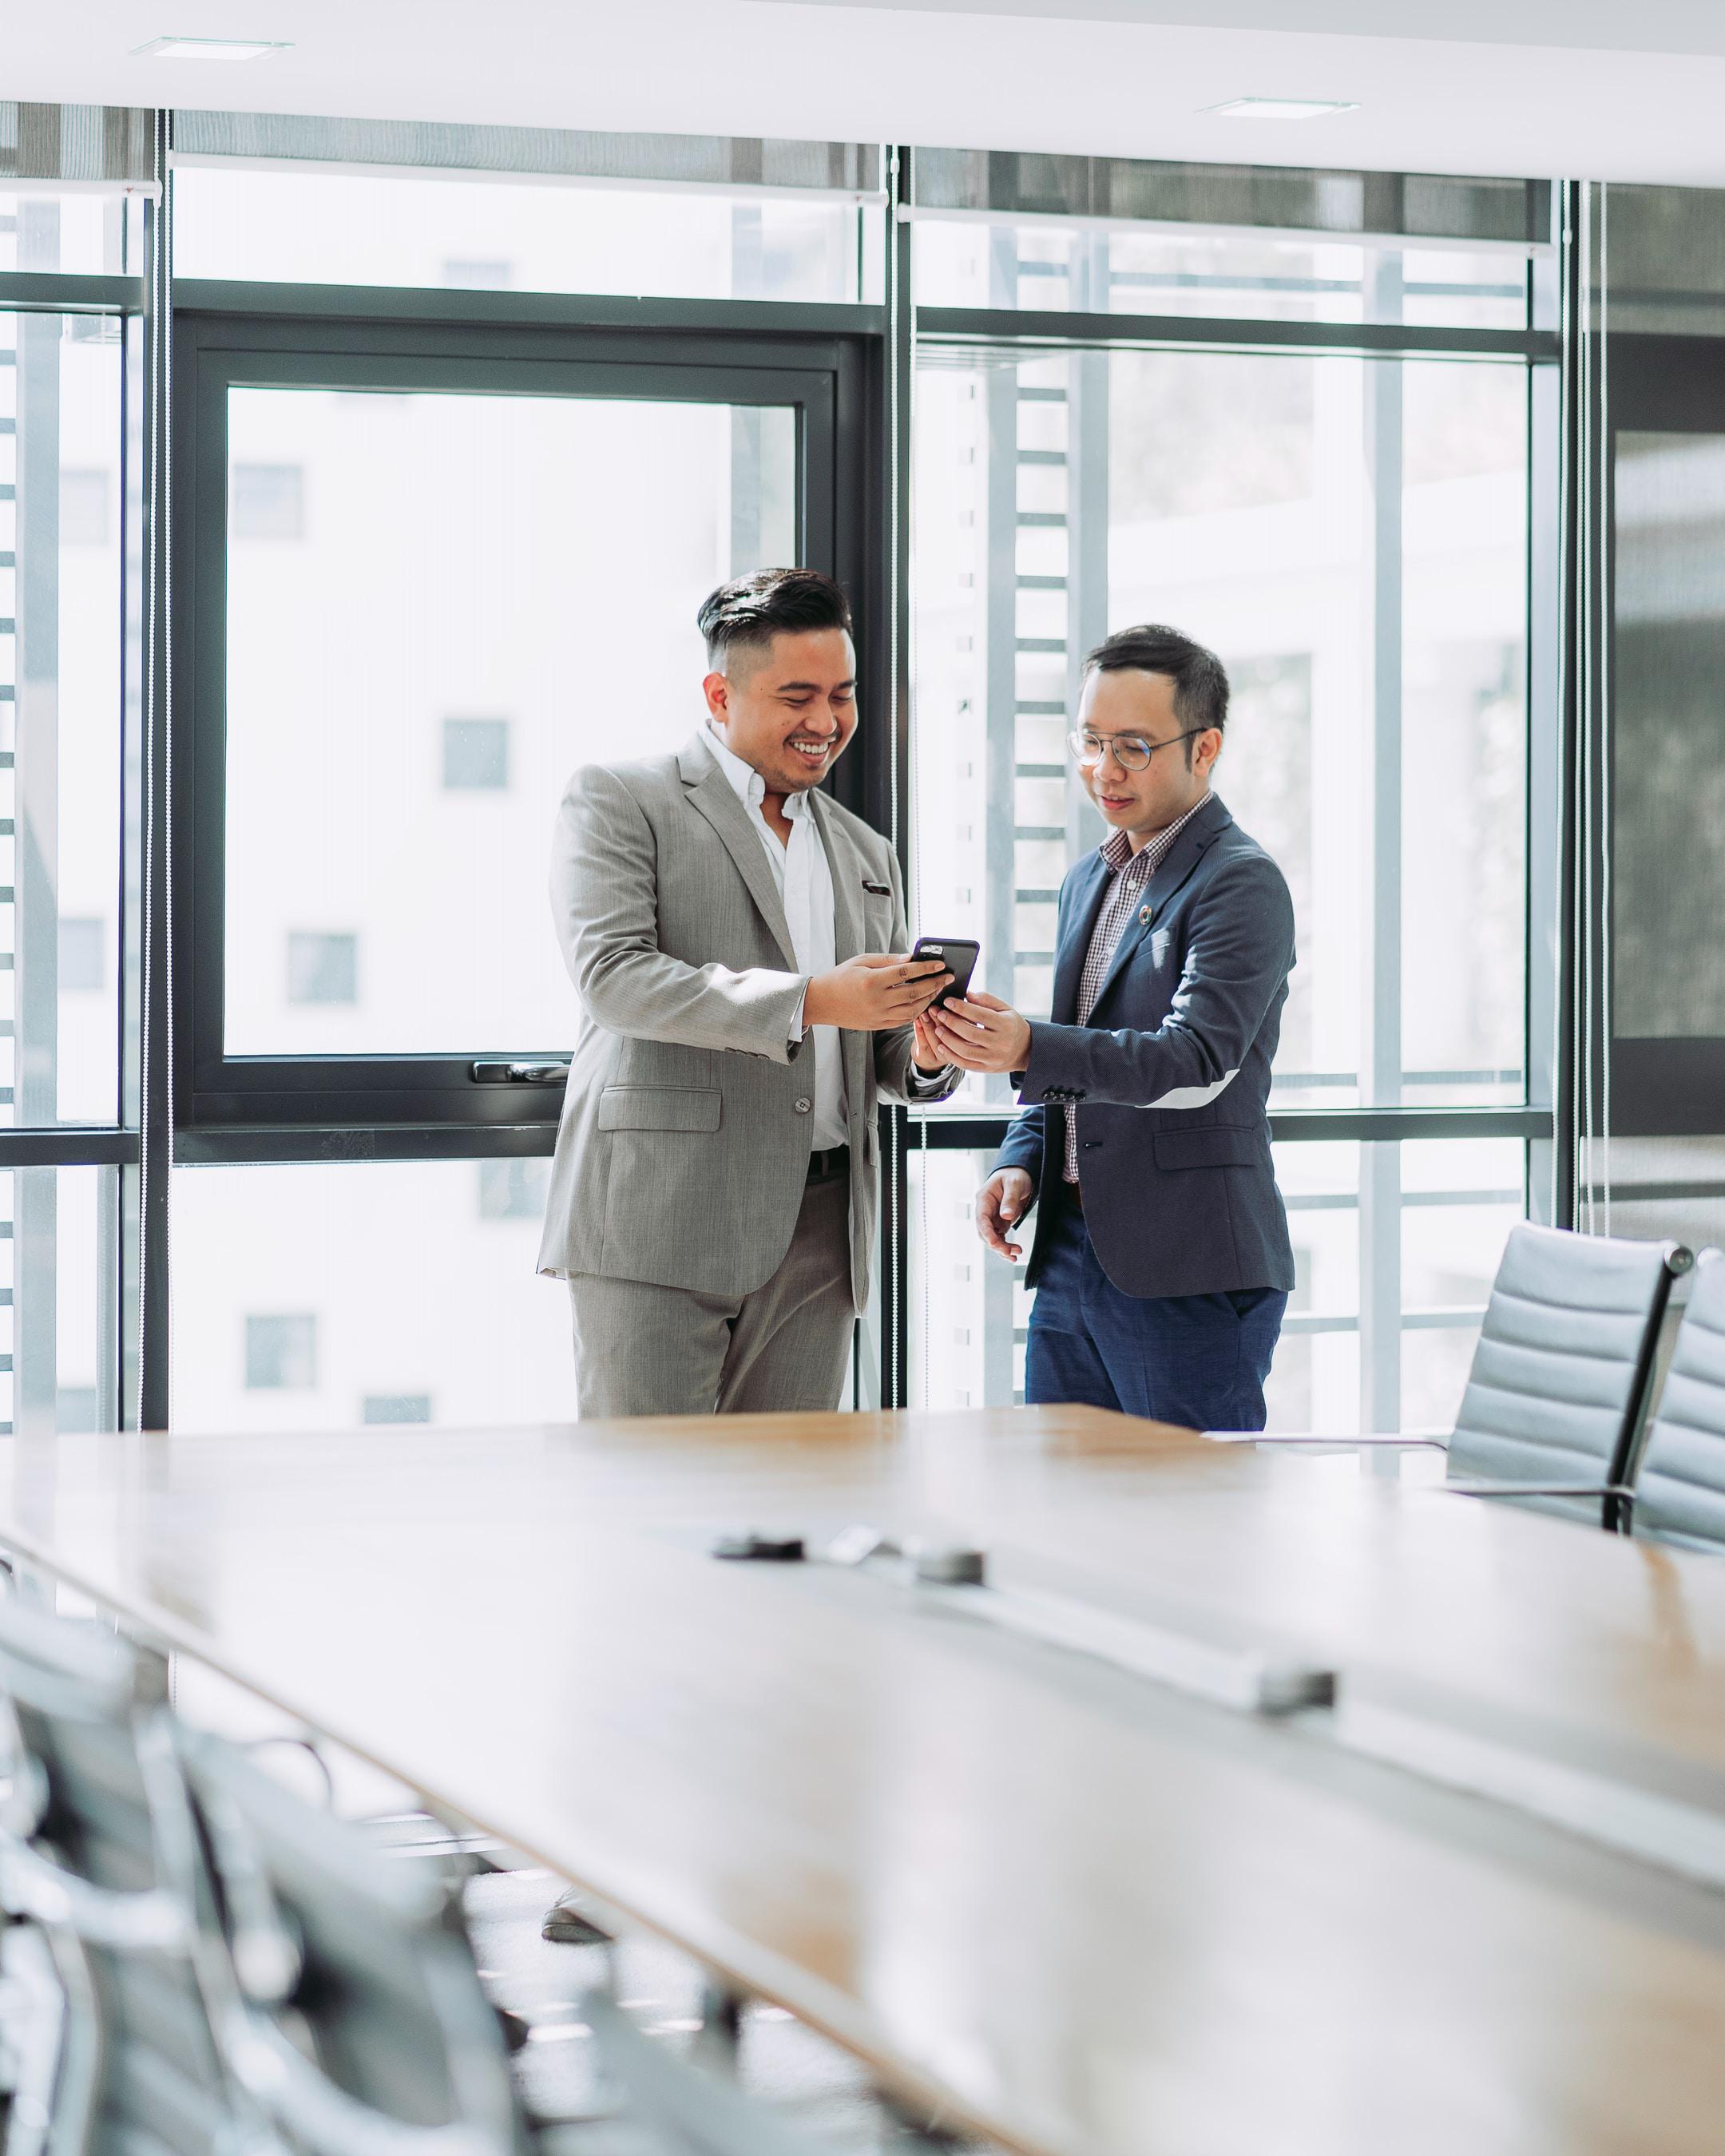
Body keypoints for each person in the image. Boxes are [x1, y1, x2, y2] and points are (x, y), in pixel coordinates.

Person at [537, 567, 959, 1419]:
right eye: (797, 695)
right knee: (650, 1503)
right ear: (719, 694)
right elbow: (615, 979)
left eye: (842, 695)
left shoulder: (868, 852)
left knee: (788, 1510)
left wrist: (921, 1050)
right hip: (661, 1216)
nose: (826, 722)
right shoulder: (622, 801)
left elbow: (867, 1047)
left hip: (826, 1233)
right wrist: (810, 999)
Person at [930, 624, 1295, 1433]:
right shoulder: (1089, 880)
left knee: (1190, 1531)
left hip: (1187, 1269)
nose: (1102, 770)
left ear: (1206, 749)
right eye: (1090, 741)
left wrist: (1026, 1045)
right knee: (1070, 1519)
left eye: (1132, 746)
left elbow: (1197, 1059)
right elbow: (1078, 1049)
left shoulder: (1241, 883)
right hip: (1069, 1257)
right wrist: (1024, 1159)